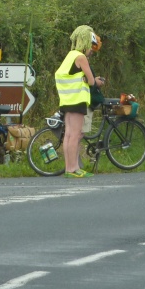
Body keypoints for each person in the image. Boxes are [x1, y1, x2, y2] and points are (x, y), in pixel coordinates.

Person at [54, 25, 105, 178]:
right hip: (78, 100)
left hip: (67, 100)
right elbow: (90, 81)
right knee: (75, 135)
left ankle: (71, 168)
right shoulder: (81, 57)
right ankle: (72, 169)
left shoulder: (70, 55)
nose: (91, 50)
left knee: (68, 135)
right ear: (85, 42)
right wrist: (92, 79)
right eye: (91, 45)